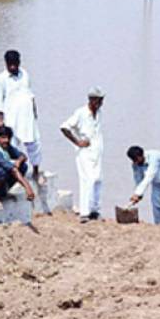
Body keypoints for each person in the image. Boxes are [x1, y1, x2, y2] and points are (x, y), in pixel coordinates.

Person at [0, 50, 44, 184]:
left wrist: (34, 111)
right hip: (11, 116)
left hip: (27, 116)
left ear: (19, 63)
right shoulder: (1, 79)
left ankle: (36, 171)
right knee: (11, 145)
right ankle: (13, 175)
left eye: (15, 64)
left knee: (34, 143)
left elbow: (30, 95)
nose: (13, 67)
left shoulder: (25, 75)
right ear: (6, 64)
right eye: (10, 65)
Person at [61, 87, 105, 223]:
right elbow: (64, 127)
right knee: (88, 180)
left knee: (98, 179)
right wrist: (77, 142)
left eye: (102, 99)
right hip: (85, 153)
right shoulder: (81, 113)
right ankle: (84, 213)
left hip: (96, 152)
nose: (101, 102)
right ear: (91, 100)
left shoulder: (99, 113)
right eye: (98, 100)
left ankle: (95, 210)